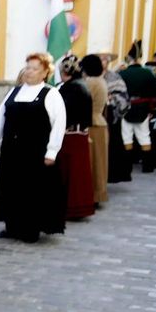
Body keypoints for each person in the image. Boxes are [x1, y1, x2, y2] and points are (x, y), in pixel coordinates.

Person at [0, 52, 65, 242]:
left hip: (35, 152)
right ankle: (11, 226)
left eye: (34, 68)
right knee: (10, 188)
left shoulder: (51, 93)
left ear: (45, 72)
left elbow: (59, 123)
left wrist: (52, 152)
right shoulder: (14, 92)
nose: (29, 72)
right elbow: (0, 118)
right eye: (28, 67)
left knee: (32, 191)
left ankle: (30, 229)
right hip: (12, 151)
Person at [56, 55, 96, 220]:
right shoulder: (83, 86)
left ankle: (71, 207)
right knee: (80, 172)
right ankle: (80, 206)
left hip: (70, 136)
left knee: (70, 171)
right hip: (81, 134)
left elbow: (64, 113)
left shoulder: (70, 88)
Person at [119, 53, 156, 173]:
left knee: (126, 136)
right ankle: (148, 166)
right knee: (144, 136)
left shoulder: (122, 74)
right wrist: (151, 110)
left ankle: (126, 167)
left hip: (126, 108)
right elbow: (154, 95)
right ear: (139, 59)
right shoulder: (148, 74)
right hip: (143, 108)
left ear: (128, 60)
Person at [79, 55, 110, 204]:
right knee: (100, 162)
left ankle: (92, 195)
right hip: (99, 123)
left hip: (92, 124)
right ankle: (98, 193)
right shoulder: (101, 80)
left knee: (92, 162)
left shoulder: (90, 82)